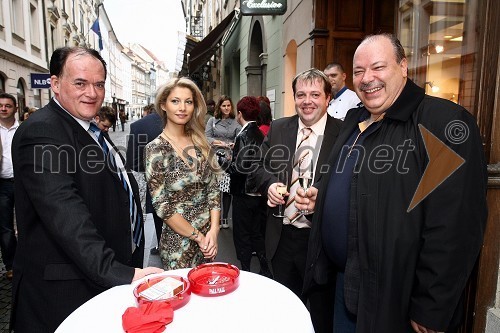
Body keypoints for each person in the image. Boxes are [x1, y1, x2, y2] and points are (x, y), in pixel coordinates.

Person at [298, 33, 487, 333]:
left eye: (378, 67)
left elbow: (455, 227)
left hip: (395, 303)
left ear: (403, 67)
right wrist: (321, 200)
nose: (367, 78)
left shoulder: (444, 123)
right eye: (359, 71)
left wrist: (431, 307)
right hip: (341, 288)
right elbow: (352, 186)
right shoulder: (355, 120)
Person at [10, 47, 162, 332]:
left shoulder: (88, 129)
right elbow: (67, 217)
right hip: (65, 294)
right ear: (55, 83)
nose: (92, 93)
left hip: (98, 283)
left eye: (99, 84)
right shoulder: (42, 131)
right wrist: (121, 273)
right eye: (80, 83)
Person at [252, 68, 342, 333]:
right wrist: (268, 184)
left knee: (322, 318)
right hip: (282, 238)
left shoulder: (344, 132)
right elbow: (257, 165)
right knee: (284, 316)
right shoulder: (280, 128)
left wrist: (321, 200)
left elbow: (351, 184)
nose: (307, 101)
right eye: (301, 94)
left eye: (315, 94)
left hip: (321, 242)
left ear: (328, 99)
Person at [145, 77, 221, 270]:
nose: (182, 108)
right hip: (178, 245)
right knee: (182, 296)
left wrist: (214, 230)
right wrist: (199, 237)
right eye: (175, 101)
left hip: (208, 243)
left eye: (188, 102)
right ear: (163, 105)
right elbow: (162, 206)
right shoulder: (156, 149)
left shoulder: (201, 142)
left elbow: (213, 190)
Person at [222, 96, 271, 277]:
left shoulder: (243, 135)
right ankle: (265, 268)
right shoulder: (260, 134)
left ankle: (246, 271)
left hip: (243, 193)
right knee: (258, 233)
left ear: (240, 114)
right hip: (259, 192)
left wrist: (222, 161)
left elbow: (239, 168)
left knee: (242, 234)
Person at [126, 103, 163, 256]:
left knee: (160, 220)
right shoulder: (190, 121)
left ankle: (161, 245)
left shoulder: (139, 126)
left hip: (156, 187)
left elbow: (133, 161)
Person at [205, 95, 241, 229]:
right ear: (219, 107)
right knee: (214, 188)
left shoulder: (235, 121)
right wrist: (218, 142)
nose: (226, 108)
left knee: (226, 189)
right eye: (224, 105)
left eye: (228, 105)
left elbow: (239, 137)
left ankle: (224, 218)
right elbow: (206, 136)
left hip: (228, 158)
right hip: (214, 157)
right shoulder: (212, 121)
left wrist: (234, 145)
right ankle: (215, 219)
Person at [0, 92, 19, 281]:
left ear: (15, 108)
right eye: (1, 106)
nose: (4, 109)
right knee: (5, 227)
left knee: (26, 224)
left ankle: (27, 260)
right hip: (2, 184)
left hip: (22, 183)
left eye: (8, 105)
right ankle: (11, 264)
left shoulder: (22, 129)